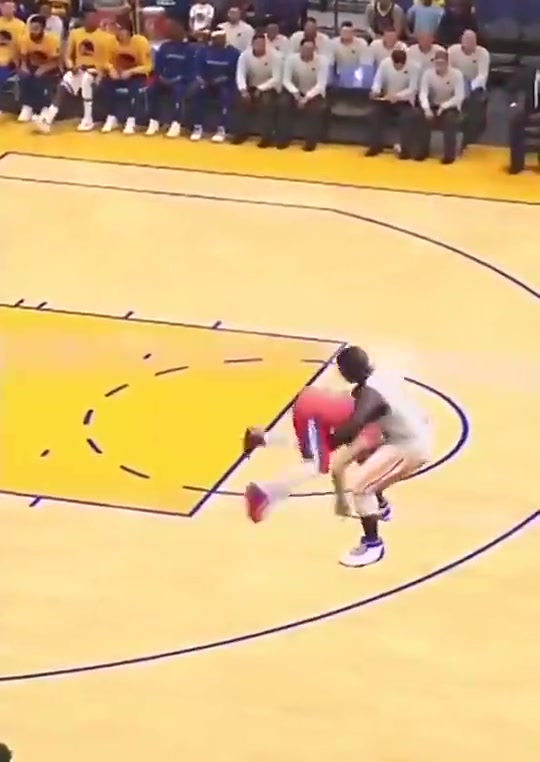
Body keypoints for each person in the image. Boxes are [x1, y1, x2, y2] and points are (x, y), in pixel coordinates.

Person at [329, 345, 431, 567]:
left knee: (361, 487)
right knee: (365, 458)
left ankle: (373, 545)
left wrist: (328, 440)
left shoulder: (370, 395)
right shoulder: (382, 378)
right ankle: (381, 506)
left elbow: (356, 424)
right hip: (407, 435)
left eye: (341, 370)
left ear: (348, 371)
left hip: (409, 446)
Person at [243, 383, 391, 529]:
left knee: (316, 448)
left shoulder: (369, 421)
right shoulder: (371, 436)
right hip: (312, 412)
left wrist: (381, 503)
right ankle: (263, 493)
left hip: (314, 404)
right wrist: (341, 501)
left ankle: (261, 438)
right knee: (316, 466)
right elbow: (340, 469)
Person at [35, 9, 113, 133]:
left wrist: (100, 73)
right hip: (78, 69)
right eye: (89, 18)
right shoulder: (75, 34)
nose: (92, 21)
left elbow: (107, 61)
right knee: (64, 83)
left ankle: (88, 119)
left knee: (86, 79)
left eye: (94, 18)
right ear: (84, 20)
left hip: (96, 70)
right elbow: (67, 56)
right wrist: (71, 66)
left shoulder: (106, 37)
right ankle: (48, 117)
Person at [366, 48, 419, 159]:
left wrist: (398, 96)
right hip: (386, 100)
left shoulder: (414, 67)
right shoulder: (385, 64)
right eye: (396, 65)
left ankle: (405, 150)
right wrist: (375, 91)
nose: (398, 67)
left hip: (405, 102)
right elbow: (378, 80)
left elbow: (413, 88)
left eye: (401, 65)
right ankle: (375, 146)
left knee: (406, 118)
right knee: (374, 114)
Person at [277, 37, 328, 151]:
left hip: (314, 93)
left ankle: (311, 142)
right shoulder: (291, 59)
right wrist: (296, 94)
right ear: (300, 48)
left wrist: (307, 98)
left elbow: (321, 84)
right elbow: (286, 80)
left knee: (314, 109)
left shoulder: (322, 61)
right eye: (305, 48)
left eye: (311, 49)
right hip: (295, 91)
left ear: (315, 49)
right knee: (283, 104)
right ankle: (283, 139)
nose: (308, 51)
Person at [101, 20, 152, 135]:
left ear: (128, 31)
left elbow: (148, 66)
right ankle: (112, 117)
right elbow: (105, 61)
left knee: (135, 87)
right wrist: (111, 69)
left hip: (136, 74)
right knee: (105, 84)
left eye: (120, 29)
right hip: (118, 73)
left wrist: (131, 71)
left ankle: (131, 120)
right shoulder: (112, 42)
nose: (117, 32)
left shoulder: (140, 42)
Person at [146, 17, 195, 137]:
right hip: (163, 79)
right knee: (150, 90)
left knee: (178, 92)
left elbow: (190, 69)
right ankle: (154, 121)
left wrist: (178, 78)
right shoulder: (165, 47)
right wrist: (162, 77)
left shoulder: (189, 49)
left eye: (176, 30)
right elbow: (158, 65)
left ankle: (176, 123)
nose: (173, 32)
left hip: (180, 81)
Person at [231, 32, 281, 147]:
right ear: (252, 44)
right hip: (251, 85)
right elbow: (240, 74)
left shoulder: (275, 56)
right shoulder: (245, 55)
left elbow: (276, 78)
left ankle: (267, 136)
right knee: (240, 100)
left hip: (269, 87)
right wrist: (243, 90)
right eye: (257, 44)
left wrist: (261, 88)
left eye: (262, 44)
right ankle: (241, 133)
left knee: (266, 102)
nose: (260, 46)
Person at [190, 27, 239, 142]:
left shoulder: (233, 53)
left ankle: (221, 129)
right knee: (195, 92)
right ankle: (197, 127)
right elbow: (197, 70)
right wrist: (201, 80)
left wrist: (221, 79)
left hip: (225, 84)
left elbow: (234, 73)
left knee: (226, 95)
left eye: (221, 38)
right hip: (207, 82)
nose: (218, 40)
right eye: (215, 38)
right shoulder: (203, 51)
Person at [417, 48, 465, 163]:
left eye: (442, 63)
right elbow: (423, 93)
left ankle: (449, 155)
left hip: (450, 106)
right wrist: (427, 109)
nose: (439, 65)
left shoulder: (457, 74)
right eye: (437, 63)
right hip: (433, 105)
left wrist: (444, 106)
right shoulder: (427, 74)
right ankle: (422, 151)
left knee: (450, 121)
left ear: (447, 63)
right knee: (420, 117)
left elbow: (459, 96)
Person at [448, 30, 489, 147]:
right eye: (467, 39)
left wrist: (469, 87)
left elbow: (482, 75)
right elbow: (448, 70)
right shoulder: (452, 51)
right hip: (455, 82)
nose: (469, 43)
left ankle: (471, 138)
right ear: (461, 40)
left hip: (474, 85)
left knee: (475, 102)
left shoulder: (483, 53)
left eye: (472, 40)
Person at [17, 14, 60, 123]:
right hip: (32, 65)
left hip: (49, 67)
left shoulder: (52, 40)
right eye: (31, 28)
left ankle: (44, 108)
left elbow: (56, 61)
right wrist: (24, 66)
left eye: (36, 29)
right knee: (24, 75)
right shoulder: (25, 39)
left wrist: (44, 68)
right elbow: (23, 57)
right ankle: (27, 106)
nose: (33, 31)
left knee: (41, 78)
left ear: (43, 29)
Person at [508, 63, 540, 175]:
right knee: (516, 121)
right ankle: (517, 167)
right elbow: (511, 89)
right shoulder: (526, 74)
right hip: (528, 111)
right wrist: (514, 104)